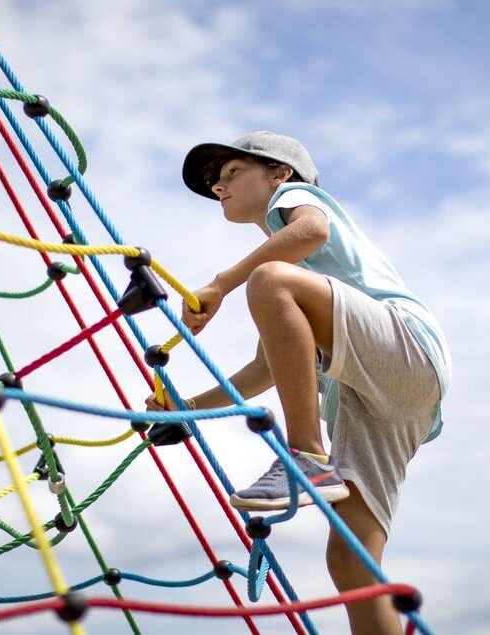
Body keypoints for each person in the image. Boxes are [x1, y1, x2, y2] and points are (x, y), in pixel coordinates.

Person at [146, 131, 450, 634]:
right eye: (216, 182)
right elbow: (266, 370)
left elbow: (312, 230)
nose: (219, 186)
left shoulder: (295, 199)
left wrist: (222, 283)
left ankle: (306, 453)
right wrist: (187, 406)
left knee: (268, 280)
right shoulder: (294, 287)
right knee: (351, 562)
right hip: (375, 397)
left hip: (404, 345)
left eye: (232, 172)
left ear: (279, 173)